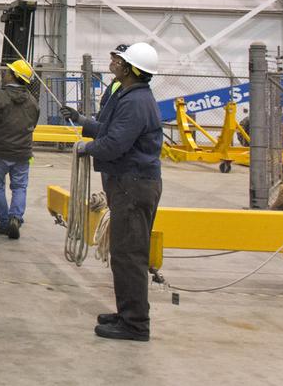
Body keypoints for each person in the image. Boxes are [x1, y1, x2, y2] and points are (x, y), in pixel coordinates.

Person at [62, 42, 163, 342]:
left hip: (133, 185)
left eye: (120, 61)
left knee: (129, 255)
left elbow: (115, 143)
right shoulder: (130, 95)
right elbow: (110, 129)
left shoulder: (135, 102)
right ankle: (127, 313)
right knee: (123, 253)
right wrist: (82, 122)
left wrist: (87, 149)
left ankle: (135, 324)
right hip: (129, 183)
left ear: (131, 69)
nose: (114, 62)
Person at [0, 59, 39, 239]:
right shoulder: (32, 101)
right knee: (20, 187)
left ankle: (4, 223)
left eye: (8, 71)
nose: (5, 73)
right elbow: (33, 124)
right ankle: (15, 218)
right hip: (22, 152)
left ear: (13, 76)